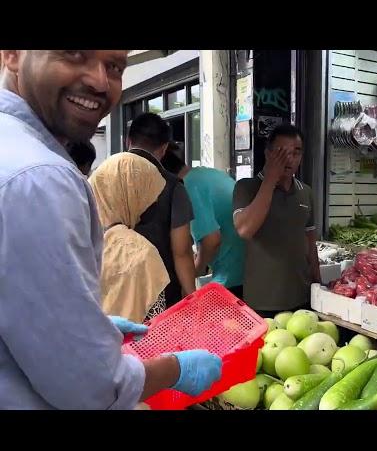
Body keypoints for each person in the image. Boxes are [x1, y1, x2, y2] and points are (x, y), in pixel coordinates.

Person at [0, 50, 220, 409]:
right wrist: (176, 369)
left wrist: (89, 328)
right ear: (11, 55)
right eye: (74, 53)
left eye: (115, 66)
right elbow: (91, 385)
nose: (100, 81)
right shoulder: (42, 179)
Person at [233, 124, 321, 316]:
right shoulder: (246, 187)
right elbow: (245, 230)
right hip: (262, 300)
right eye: (282, 153)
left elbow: (310, 240)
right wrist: (271, 179)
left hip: (302, 297)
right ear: (268, 154)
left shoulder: (306, 193)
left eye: (296, 152)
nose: (289, 159)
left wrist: (317, 282)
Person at [89, 152, 170, 323]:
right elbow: (154, 322)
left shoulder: (75, 236)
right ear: (129, 193)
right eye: (147, 193)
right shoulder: (141, 252)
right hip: (125, 347)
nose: (154, 202)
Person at [126, 113, 196, 307]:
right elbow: (181, 251)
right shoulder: (173, 187)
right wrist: (192, 297)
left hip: (114, 291)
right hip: (161, 294)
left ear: (128, 141)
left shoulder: (103, 178)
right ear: (164, 148)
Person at [162, 144, 245, 298]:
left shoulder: (188, 187)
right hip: (247, 271)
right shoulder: (209, 174)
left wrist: (194, 271)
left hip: (231, 278)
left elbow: (211, 240)